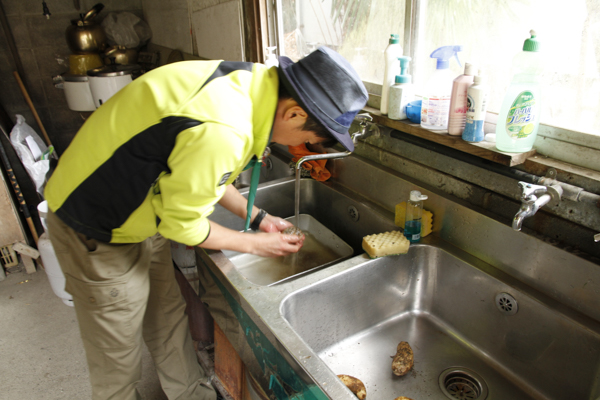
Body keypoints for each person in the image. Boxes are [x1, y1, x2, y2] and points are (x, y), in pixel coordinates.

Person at [44, 46, 368, 400]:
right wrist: (256, 244)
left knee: (167, 318)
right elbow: (181, 226)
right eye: (309, 140)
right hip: (96, 224)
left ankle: (192, 396)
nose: (303, 148)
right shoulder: (224, 127)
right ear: (293, 113)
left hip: (143, 210)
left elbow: (211, 176)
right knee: (117, 357)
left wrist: (257, 216)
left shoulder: (253, 86)